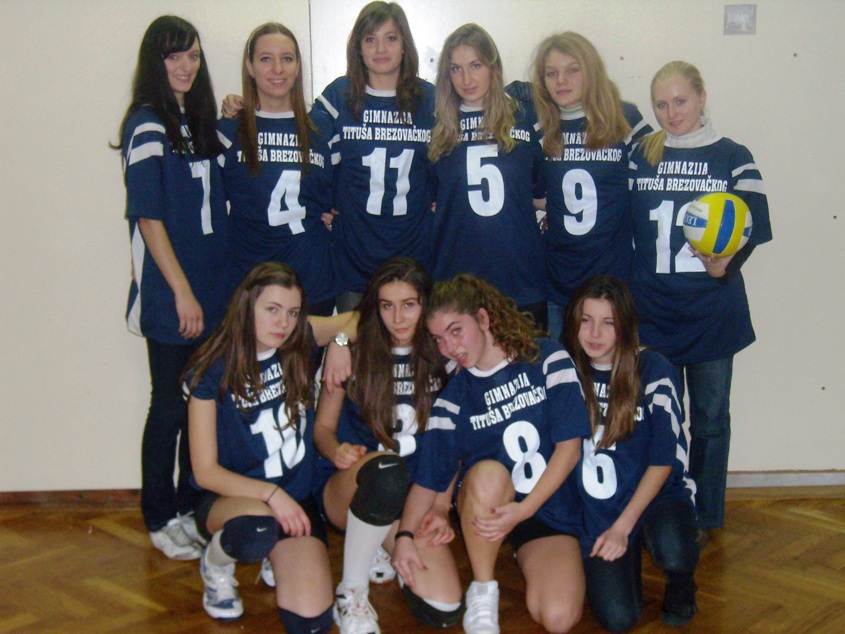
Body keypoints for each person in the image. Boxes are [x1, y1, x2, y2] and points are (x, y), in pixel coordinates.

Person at [393, 274, 591, 634]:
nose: (449, 347)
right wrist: (404, 536)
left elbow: (570, 449)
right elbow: (429, 478)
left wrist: (524, 511)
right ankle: (484, 590)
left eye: (456, 331)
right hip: (488, 503)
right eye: (438, 339)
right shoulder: (453, 398)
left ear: (483, 319)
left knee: (558, 618)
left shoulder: (546, 357)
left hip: (545, 507)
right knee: (487, 475)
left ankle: (523, 551)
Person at [629, 61, 772, 544]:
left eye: (681, 101)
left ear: (702, 97)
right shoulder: (640, 154)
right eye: (661, 104)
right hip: (652, 311)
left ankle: (707, 516)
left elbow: (752, 227)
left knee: (710, 420)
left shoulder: (733, 157)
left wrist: (725, 264)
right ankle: (664, 509)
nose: (672, 113)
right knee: (658, 419)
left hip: (713, 311)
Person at [184, 261, 355, 631]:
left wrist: (340, 342)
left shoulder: (299, 340)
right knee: (256, 529)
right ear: (247, 306)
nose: (283, 323)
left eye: (293, 312)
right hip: (234, 499)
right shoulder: (211, 371)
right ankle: (215, 565)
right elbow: (205, 472)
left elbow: (359, 318)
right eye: (272, 309)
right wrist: (271, 495)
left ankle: (275, 555)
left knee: (311, 623)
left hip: (294, 498)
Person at [115, 15, 231, 560]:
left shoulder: (198, 122)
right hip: (173, 294)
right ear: (154, 62)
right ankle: (159, 515)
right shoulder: (146, 124)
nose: (185, 66)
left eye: (193, 56)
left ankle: (188, 506)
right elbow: (149, 217)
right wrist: (182, 291)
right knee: (168, 406)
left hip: (214, 289)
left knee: (199, 406)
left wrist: (233, 113)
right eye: (173, 56)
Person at [313, 257, 462, 634]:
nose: (398, 318)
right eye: (386, 305)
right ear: (374, 307)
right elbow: (322, 429)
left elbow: (452, 445)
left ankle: (381, 542)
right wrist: (335, 451)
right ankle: (351, 592)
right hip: (353, 488)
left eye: (409, 305)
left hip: (414, 500)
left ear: (425, 303)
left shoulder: (444, 358)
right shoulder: (353, 352)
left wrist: (441, 505)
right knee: (386, 471)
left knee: (444, 607)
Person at [563, 275, 699, 630]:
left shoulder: (652, 368)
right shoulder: (565, 373)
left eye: (608, 322)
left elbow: (663, 461)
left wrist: (623, 528)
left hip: (656, 495)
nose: (595, 333)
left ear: (624, 326)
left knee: (673, 547)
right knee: (618, 618)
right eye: (586, 320)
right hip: (601, 507)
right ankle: (626, 555)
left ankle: (682, 584)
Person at [308, 1, 436, 312]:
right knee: (355, 342)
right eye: (370, 39)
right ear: (358, 47)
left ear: (405, 45)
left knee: (411, 343)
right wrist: (249, 106)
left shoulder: (429, 98)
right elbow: (302, 143)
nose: (380, 48)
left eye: (390, 38)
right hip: (354, 257)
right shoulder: (339, 96)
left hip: (414, 255)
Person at [527, 32, 652, 340]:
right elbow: (532, 191)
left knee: (612, 370)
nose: (561, 81)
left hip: (613, 279)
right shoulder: (539, 126)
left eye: (572, 70)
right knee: (561, 369)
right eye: (551, 74)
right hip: (559, 279)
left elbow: (653, 181)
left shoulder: (623, 118)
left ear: (591, 71)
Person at [428, 23, 546, 327]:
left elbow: (543, 192)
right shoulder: (436, 126)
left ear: (493, 67)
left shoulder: (526, 118)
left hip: (520, 281)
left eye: (476, 65)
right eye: (456, 69)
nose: (466, 79)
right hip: (456, 285)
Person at [218, 23, 337, 315]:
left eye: (287, 58)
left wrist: (335, 215)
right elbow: (208, 208)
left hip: (311, 283)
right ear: (249, 67)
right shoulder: (229, 130)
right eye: (265, 59)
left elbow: (341, 194)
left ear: (298, 66)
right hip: (250, 286)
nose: (278, 69)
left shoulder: (323, 128)